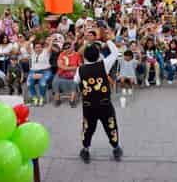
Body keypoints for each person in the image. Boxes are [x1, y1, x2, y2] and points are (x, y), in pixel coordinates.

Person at [74, 29, 123, 164]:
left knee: (88, 128)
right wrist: (106, 39)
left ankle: (85, 149)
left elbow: (75, 81)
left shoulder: (80, 69)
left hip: (89, 106)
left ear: (85, 57)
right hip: (105, 104)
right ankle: (116, 148)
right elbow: (115, 52)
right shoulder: (104, 65)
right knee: (111, 126)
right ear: (98, 56)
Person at [26, 36, 54, 107]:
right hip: (34, 71)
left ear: (42, 47)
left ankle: (41, 98)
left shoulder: (46, 52)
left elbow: (50, 46)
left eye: (39, 47)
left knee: (42, 83)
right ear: (34, 48)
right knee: (29, 83)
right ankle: (35, 98)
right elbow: (27, 47)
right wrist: (30, 40)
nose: (38, 49)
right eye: (36, 47)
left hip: (46, 71)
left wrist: (51, 40)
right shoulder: (32, 53)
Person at [52, 42, 82, 108]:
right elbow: (60, 66)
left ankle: (72, 100)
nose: (67, 49)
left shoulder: (77, 54)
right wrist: (73, 68)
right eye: (65, 48)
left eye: (69, 47)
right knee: (55, 81)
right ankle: (57, 99)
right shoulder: (62, 54)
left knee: (75, 81)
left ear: (72, 47)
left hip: (73, 74)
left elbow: (80, 66)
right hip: (61, 73)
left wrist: (75, 69)